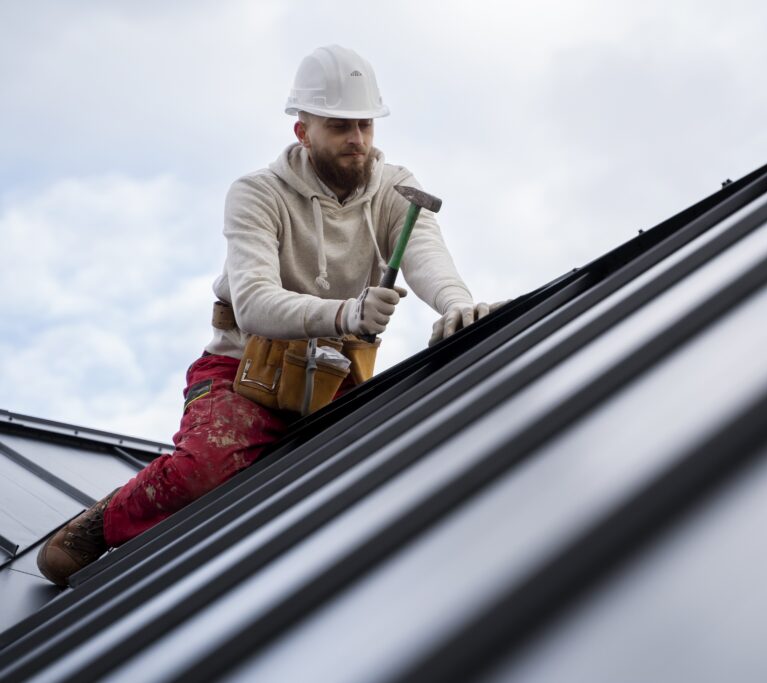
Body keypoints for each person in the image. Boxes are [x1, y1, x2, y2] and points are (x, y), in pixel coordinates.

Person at [36, 45, 498, 587]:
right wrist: (347, 312)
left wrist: (457, 304)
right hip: (241, 373)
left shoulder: (394, 191)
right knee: (206, 469)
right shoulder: (257, 195)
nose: (357, 140)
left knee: (391, 465)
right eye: (340, 126)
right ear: (303, 131)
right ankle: (102, 522)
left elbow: (426, 255)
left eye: (366, 125)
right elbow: (254, 302)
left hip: (330, 379)